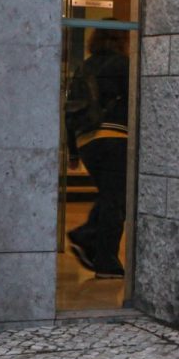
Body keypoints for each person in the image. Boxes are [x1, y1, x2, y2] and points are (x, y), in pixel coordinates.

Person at [65, 30, 130, 279]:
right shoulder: (123, 65)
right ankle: (104, 259)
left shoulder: (85, 67)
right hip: (115, 137)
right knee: (116, 200)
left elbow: (70, 111)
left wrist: (73, 152)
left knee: (110, 196)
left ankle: (91, 241)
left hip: (87, 142)